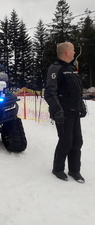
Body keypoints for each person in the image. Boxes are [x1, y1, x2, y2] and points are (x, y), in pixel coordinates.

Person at [44, 42, 86, 183]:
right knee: (66, 141)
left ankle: (75, 170)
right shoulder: (55, 68)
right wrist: (57, 111)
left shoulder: (72, 68)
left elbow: (77, 90)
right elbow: (50, 92)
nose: (75, 53)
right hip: (63, 113)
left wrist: (81, 105)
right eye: (73, 50)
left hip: (74, 112)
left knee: (77, 141)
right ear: (67, 52)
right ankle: (58, 169)